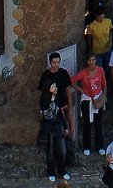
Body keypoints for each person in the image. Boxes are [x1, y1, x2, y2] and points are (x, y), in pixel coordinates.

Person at [40, 53, 77, 187]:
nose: (56, 65)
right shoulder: (46, 78)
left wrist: (66, 120)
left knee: (62, 148)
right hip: (50, 125)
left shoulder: (63, 74)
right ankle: (51, 171)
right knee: (50, 149)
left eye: (58, 62)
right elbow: (46, 112)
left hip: (59, 120)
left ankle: (63, 169)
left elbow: (67, 90)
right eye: (54, 63)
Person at [75, 53, 109, 156]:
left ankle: (100, 146)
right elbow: (71, 81)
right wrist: (81, 90)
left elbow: (104, 84)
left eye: (93, 60)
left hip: (98, 98)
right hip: (87, 100)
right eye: (90, 60)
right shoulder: (83, 73)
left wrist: (104, 96)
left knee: (98, 123)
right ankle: (87, 146)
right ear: (87, 61)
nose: (91, 62)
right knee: (87, 124)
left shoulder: (100, 70)